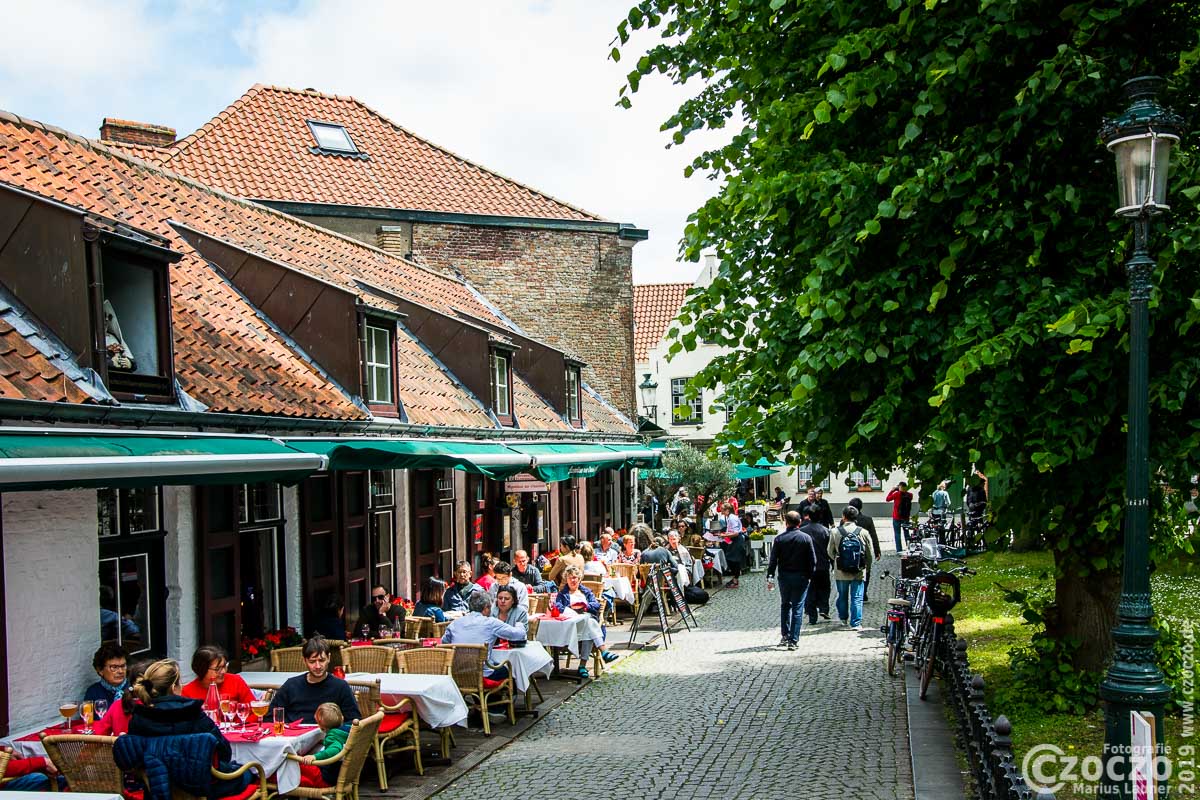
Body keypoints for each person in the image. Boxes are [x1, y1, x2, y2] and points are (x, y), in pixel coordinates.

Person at [126, 659, 249, 797]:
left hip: (157, 787)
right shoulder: (193, 714)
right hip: (203, 787)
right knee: (250, 773)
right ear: (174, 688)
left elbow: (134, 759)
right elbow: (224, 753)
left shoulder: (138, 718)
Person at [268, 637, 360, 724]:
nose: (318, 666)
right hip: (293, 733)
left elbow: (354, 721)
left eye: (321, 660)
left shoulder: (340, 687)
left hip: (327, 734)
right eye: (312, 662)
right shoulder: (291, 685)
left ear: (329, 658)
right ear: (304, 660)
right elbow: (270, 717)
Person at [440, 592, 526, 681]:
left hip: (457, 674)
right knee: (510, 670)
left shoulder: (455, 623)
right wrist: (519, 625)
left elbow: (444, 643)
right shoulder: (491, 623)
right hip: (483, 675)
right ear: (486, 608)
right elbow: (518, 635)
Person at [766, 511, 817, 650]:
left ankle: (785, 635)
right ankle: (793, 640)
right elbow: (813, 560)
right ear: (799, 522)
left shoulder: (779, 539)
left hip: (784, 577)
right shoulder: (806, 538)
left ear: (786, 522)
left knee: (785, 605)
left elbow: (773, 560)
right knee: (797, 607)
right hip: (801, 577)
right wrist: (810, 576)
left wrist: (770, 575)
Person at [552, 567, 615, 675]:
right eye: (570, 578)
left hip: (586, 621)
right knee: (590, 625)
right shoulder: (562, 594)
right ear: (566, 579)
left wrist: (585, 606)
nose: (572, 580)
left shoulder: (586, 592)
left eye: (575, 578)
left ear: (579, 579)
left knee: (589, 625)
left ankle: (582, 666)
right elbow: (557, 606)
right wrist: (571, 609)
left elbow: (596, 604)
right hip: (573, 626)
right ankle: (603, 651)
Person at [828, 506, 875, 631]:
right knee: (857, 597)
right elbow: (869, 553)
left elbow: (830, 551)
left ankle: (843, 618)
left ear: (843, 517)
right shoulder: (863, 532)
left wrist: (837, 560)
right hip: (858, 570)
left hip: (841, 570)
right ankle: (856, 623)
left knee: (842, 595)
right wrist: (867, 566)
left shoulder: (835, 532)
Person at [180, 645, 256, 705]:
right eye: (217, 669)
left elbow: (253, 710)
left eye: (224, 666)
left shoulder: (236, 681)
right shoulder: (188, 693)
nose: (223, 671)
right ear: (202, 669)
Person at [298, 703, 351, 788]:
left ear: (322, 728)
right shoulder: (348, 729)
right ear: (342, 718)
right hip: (343, 773)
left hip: (328, 778)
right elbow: (339, 742)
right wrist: (325, 742)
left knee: (297, 763)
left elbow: (335, 749)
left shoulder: (332, 736)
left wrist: (314, 757)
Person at [94, 658, 152, 735]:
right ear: (100, 670)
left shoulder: (118, 704)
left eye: (123, 666)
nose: (120, 671)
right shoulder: (94, 691)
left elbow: (99, 734)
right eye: (114, 667)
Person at [799, 506, 832, 624]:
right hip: (823, 564)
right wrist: (833, 563)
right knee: (825, 587)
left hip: (807, 566)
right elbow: (830, 549)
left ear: (808, 516)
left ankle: (812, 615)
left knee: (810, 589)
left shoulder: (802, 531)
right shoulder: (826, 531)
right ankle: (824, 608)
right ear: (820, 516)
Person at [848, 497, 882, 603]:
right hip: (864, 551)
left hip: (850, 551)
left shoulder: (845, 521)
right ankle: (863, 592)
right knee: (866, 572)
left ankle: (855, 592)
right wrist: (877, 551)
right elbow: (874, 536)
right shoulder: (867, 520)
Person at [721, 503, 747, 588]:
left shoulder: (732, 518)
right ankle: (735, 578)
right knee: (731, 558)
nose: (722, 512)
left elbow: (736, 533)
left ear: (727, 510)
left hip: (737, 540)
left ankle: (735, 578)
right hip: (734, 539)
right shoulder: (730, 517)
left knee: (732, 559)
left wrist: (724, 535)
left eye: (723, 510)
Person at [886, 482, 915, 551]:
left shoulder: (896, 494)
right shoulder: (910, 495)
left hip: (897, 517)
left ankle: (899, 550)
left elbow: (887, 499)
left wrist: (892, 490)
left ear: (900, 487)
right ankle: (909, 548)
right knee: (906, 533)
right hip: (906, 517)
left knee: (897, 534)